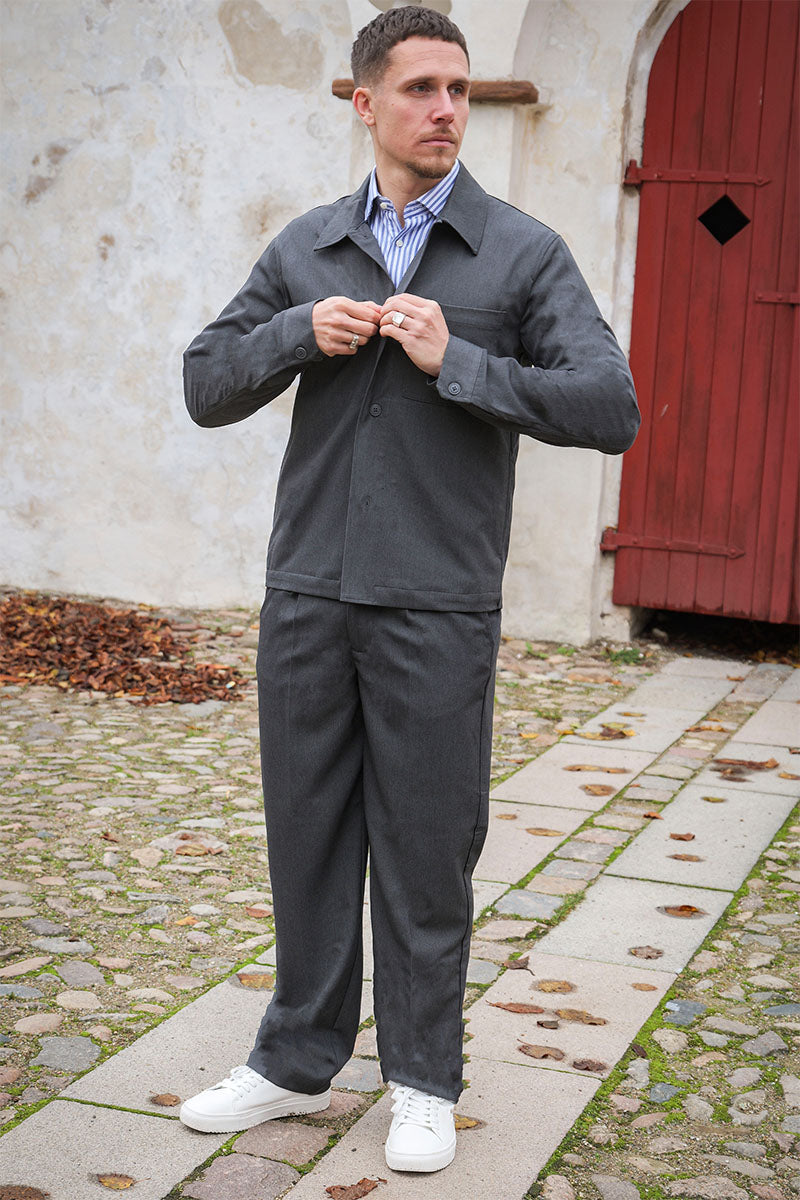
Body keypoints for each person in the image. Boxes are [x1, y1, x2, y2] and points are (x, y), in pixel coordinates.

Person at [178, 4, 639, 1175]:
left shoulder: (519, 252)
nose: (444, 110)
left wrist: (460, 363)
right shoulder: (307, 247)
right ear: (363, 102)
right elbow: (206, 383)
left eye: (458, 89)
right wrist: (295, 332)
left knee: (427, 853)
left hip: (435, 602)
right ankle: (294, 1061)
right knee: (305, 839)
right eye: (420, 88)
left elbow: (609, 406)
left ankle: (423, 1079)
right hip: (307, 595)